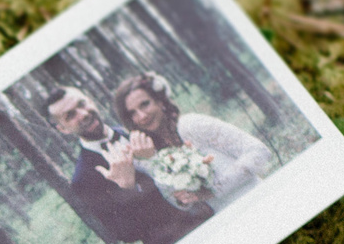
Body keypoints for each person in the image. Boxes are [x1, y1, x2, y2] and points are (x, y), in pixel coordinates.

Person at [42, 86, 211, 244]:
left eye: (82, 104)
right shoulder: (83, 179)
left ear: (91, 101)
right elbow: (126, 235)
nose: (83, 114)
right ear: (62, 128)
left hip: (209, 216)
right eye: (70, 115)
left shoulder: (137, 128)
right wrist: (128, 189)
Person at [111, 73, 279, 211]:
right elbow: (182, 204)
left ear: (160, 101)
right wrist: (153, 161)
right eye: (132, 113)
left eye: (145, 104)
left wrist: (214, 190)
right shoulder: (153, 152)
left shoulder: (191, 125)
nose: (141, 116)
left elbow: (259, 151)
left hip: (259, 201)